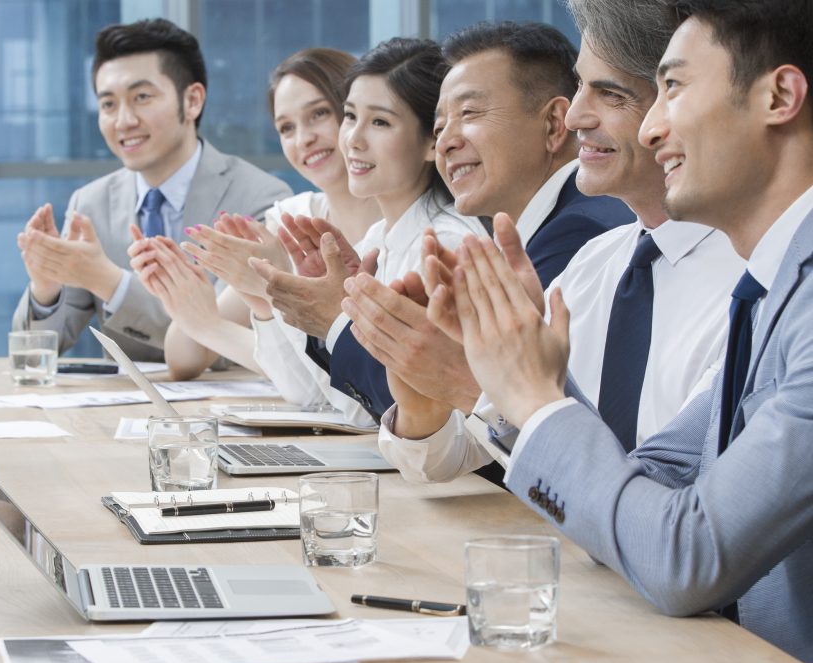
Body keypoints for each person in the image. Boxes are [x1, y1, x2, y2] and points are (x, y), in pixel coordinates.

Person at [436, 0, 813, 663]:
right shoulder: (769, 286)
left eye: (670, 89)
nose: (648, 126)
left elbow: (686, 551)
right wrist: (516, 395)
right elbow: (649, 489)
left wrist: (539, 399)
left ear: (780, 95)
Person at [370, 0, 743, 481]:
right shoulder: (595, 266)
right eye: (581, 88)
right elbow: (456, 458)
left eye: (609, 94)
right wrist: (422, 401)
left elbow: (661, 513)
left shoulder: (753, 286)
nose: (574, 117)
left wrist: (480, 386)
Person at [308, 22, 635, 422]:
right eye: (441, 125)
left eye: (469, 113)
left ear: (552, 124)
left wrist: (339, 320)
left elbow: (476, 407)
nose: (445, 141)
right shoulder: (541, 228)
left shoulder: (581, 233)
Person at [11, 18, 290, 361]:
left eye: (141, 97)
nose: (123, 120)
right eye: (108, 104)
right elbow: (33, 357)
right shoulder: (91, 203)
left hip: (227, 410)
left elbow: (223, 340)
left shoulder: (261, 200)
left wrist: (109, 282)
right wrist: (46, 286)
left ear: (192, 101)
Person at [128, 48, 379, 424]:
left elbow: (338, 389)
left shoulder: (397, 228)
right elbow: (184, 357)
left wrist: (256, 308)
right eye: (287, 128)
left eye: (319, 114)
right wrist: (187, 298)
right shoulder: (292, 219)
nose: (304, 139)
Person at [251, 36, 488, 421]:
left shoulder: (448, 246)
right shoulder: (379, 239)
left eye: (379, 122)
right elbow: (348, 403)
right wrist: (317, 312)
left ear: (433, 140)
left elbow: (397, 413)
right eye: (349, 116)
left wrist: (333, 318)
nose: (354, 140)